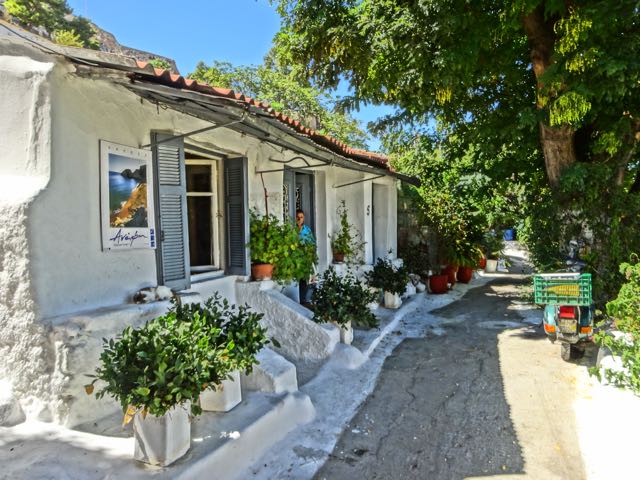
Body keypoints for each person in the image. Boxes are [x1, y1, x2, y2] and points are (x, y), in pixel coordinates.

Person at [296, 209, 316, 304]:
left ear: (304, 218)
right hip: (296, 259)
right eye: (298, 217)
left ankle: (306, 300)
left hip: (306, 257)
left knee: (310, 279)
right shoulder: (292, 229)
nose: (299, 219)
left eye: (301, 217)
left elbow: (312, 243)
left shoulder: (307, 230)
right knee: (299, 279)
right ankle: (301, 300)